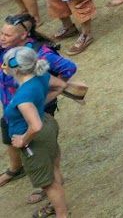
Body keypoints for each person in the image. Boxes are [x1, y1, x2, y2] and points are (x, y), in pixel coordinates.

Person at [2, 46, 70, 218]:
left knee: (48, 184)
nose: (3, 67)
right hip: (48, 126)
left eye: (4, 64)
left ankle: (62, 214)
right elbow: (61, 85)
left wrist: (23, 141)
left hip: (35, 139)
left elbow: (36, 127)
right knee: (53, 168)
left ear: (16, 69)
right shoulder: (41, 75)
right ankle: (58, 207)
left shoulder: (23, 97)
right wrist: (39, 104)